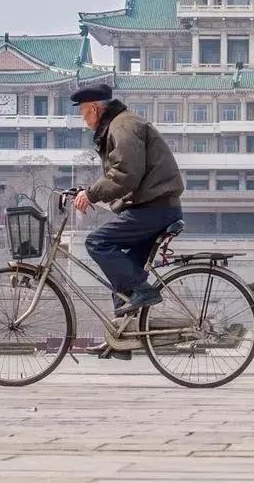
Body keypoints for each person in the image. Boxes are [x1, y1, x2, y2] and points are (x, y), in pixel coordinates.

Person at [71, 83, 185, 360]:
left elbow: (126, 173)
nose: (84, 121)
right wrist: (87, 191)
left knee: (97, 242)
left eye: (84, 114)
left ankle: (145, 293)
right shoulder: (119, 124)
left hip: (154, 209)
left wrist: (92, 194)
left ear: (96, 109)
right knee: (124, 274)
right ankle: (121, 338)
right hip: (153, 206)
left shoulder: (122, 126)